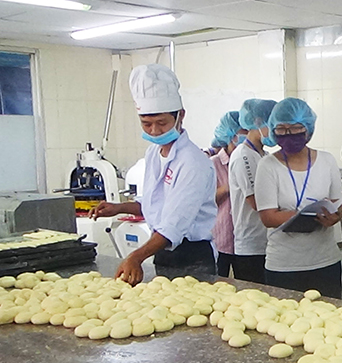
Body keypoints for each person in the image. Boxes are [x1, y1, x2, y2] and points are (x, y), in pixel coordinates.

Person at [90, 64, 216, 284]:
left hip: (192, 255)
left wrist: (136, 257)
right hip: (162, 250)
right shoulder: (153, 154)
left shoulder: (193, 162)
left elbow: (174, 225)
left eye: (162, 123)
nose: (155, 131)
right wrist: (118, 208)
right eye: (146, 124)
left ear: (180, 116)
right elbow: (155, 205)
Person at [255, 98, 342, 297]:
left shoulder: (327, 161)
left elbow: (338, 205)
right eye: (281, 129)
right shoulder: (267, 166)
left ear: (308, 129)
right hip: (284, 266)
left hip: (325, 262)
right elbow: (268, 217)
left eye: (295, 128)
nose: (288, 134)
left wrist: (335, 216)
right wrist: (302, 215)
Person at [229, 98, 277, 283]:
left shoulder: (264, 156)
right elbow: (257, 203)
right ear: (258, 123)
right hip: (251, 247)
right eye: (273, 125)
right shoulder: (243, 156)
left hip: (267, 243)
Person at [210, 111, 245, 277]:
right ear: (230, 136)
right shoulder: (213, 164)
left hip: (245, 241)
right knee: (217, 284)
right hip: (220, 239)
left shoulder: (252, 161)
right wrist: (228, 187)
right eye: (243, 134)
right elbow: (204, 201)